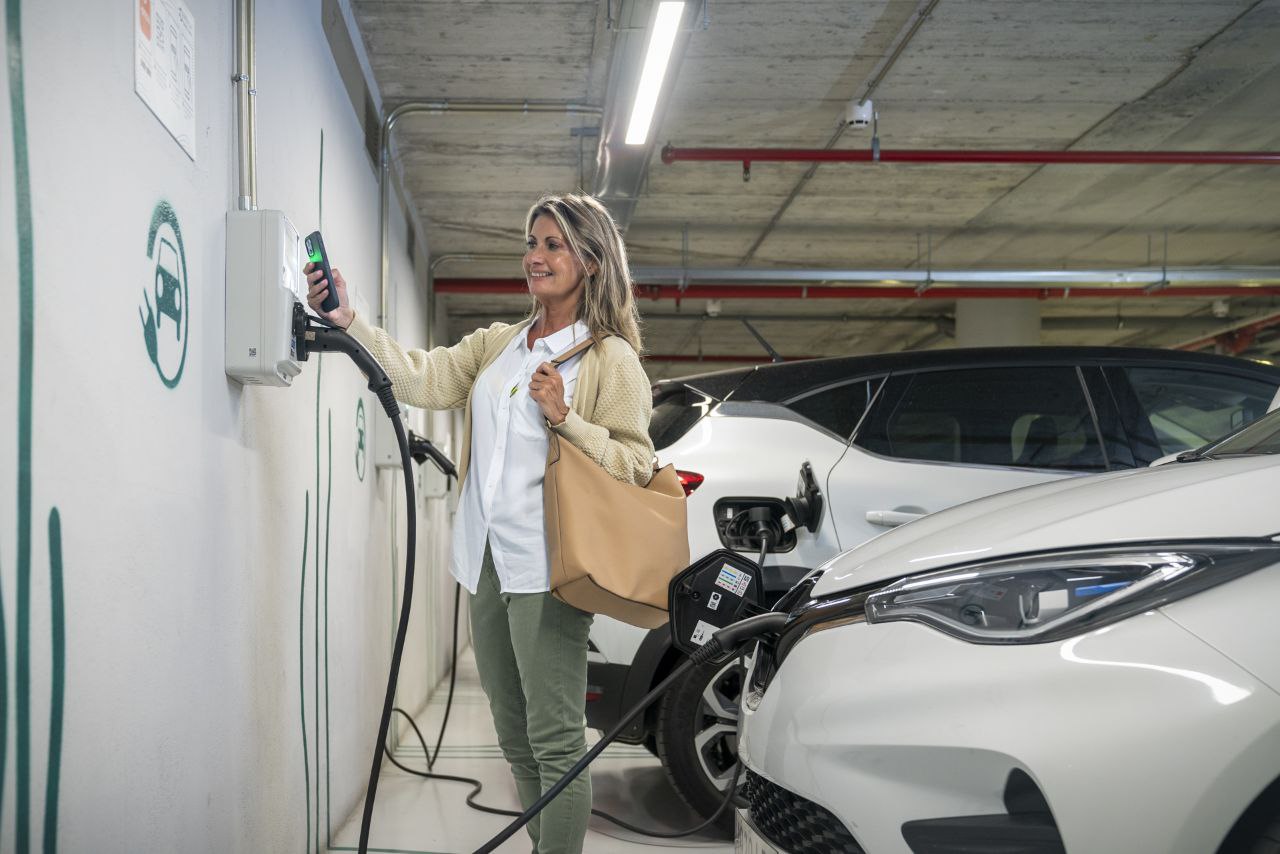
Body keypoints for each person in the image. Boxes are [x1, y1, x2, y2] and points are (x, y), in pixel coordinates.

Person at [305, 192, 654, 854]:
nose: (535, 256)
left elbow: (636, 466)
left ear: (591, 261)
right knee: (513, 732)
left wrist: (565, 419)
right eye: (532, 243)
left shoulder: (611, 359)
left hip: (551, 566)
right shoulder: (501, 345)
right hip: (487, 559)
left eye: (553, 245)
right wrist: (348, 321)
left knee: (555, 740)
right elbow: (425, 378)